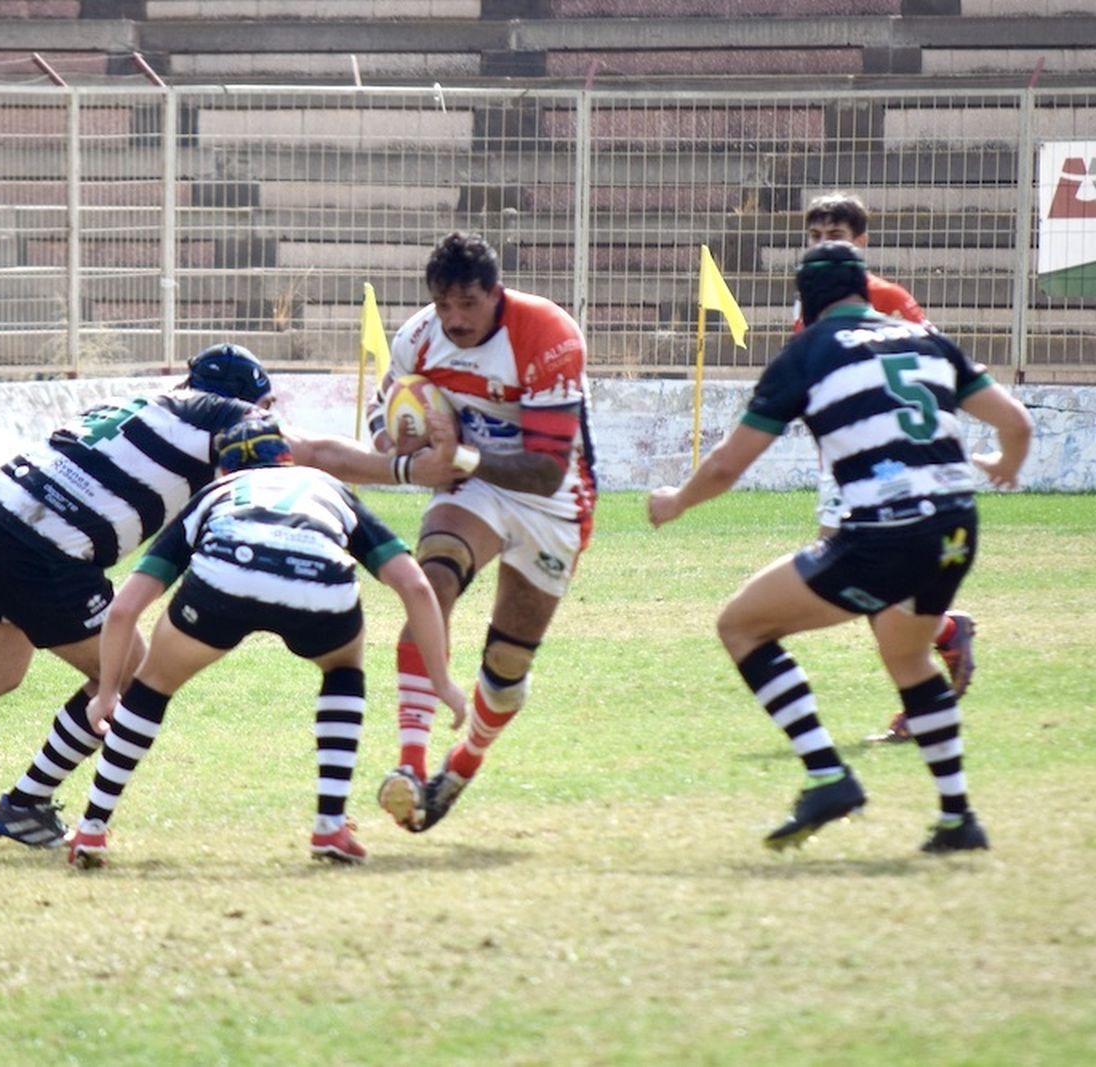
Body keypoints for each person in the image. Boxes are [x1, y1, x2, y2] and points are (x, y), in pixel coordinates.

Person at [0, 343, 463, 844]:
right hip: (46, 548)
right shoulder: (227, 415)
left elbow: (16, 465)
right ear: (247, 402)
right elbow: (321, 453)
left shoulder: (123, 410)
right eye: (264, 411)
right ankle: (25, 802)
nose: (267, 426)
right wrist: (407, 469)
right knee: (129, 669)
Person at [648, 241, 1033, 853]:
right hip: (958, 526)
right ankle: (959, 818)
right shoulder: (925, 338)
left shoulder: (808, 352)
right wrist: (1004, 466)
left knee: (741, 627)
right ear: (865, 289)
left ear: (805, 302)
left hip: (887, 529)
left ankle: (829, 777)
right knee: (908, 659)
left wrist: (676, 502)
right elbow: (1017, 423)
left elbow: (727, 466)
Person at [65, 418, 467, 868]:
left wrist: (106, 695)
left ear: (224, 468)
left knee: (153, 684)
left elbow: (123, 609)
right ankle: (330, 824)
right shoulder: (326, 486)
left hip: (224, 582)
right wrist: (443, 682)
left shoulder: (216, 493)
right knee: (343, 670)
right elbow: (414, 586)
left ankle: (93, 828)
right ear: (286, 459)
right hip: (320, 590)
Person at [365, 231, 596, 834]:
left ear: (496, 294)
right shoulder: (418, 338)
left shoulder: (546, 335)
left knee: (506, 665)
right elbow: (384, 412)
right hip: (476, 487)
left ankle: (459, 768)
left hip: (553, 504)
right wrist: (398, 441)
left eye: (468, 304)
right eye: (444, 305)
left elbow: (546, 473)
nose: (455, 319)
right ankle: (409, 766)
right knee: (432, 577)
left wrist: (458, 456)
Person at [798, 192, 977, 744]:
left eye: (839, 234)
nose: (828, 243)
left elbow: (931, 367)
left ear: (862, 241)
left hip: (887, 466)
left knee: (851, 572)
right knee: (861, 575)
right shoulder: (808, 304)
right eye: (818, 234)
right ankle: (943, 637)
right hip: (846, 464)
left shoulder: (888, 299)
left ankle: (933, 663)